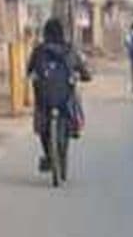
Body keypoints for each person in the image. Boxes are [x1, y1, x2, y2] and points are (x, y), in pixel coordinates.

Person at [27, 18, 91, 173]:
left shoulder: (39, 50)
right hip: (64, 97)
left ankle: (48, 155)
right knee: (74, 96)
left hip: (44, 98)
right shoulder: (69, 50)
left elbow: (29, 70)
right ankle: (75, 126)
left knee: (42, 123)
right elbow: (83, 71)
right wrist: (85, 76)